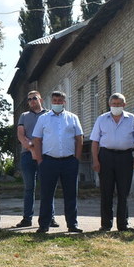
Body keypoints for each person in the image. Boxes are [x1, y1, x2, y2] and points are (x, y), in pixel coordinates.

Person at [31, 90, 84, 234]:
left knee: (71, 194)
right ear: (51, 102)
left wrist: (76, 159)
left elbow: (79, 138)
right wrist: (40, 159)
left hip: (69, 162)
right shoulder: (43, 118)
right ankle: (44, 225)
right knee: (46, 195)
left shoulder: (72, 118)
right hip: (49, 161)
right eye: (54, 101)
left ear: (64, 102)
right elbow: (37, 139)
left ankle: (72, 224)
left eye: (60, 101)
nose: (57, 103)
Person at [90, 93, 134, 232]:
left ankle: (123, 224)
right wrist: (95, 160)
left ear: (124, 105)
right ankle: (106, 224)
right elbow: (95, 141)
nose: (116, 106)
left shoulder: (131, 119)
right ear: (109, 104)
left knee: (123, 192)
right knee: (106, 191)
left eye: (119, 104)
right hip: (106, 157)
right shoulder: (102, 119)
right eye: (114, 104)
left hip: (125, 158)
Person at [14, 91, 50, 228]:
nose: (32, 101)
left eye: (34, 98)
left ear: (41, 99)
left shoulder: (48, 115)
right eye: (29, 99)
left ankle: (49, 218)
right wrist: (32, 149)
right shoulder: (24, 116)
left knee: (47, 187)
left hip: (46, 154)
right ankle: (27, 218)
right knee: (29, 187)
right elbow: (21, 135)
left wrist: (39, 150)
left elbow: (50, 134)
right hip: (27, 155)